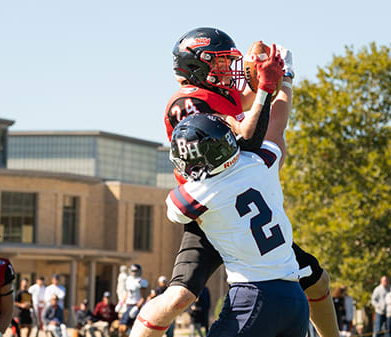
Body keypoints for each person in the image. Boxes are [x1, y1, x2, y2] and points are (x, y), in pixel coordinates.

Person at [131, 26, 337, 337]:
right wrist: (273, 85)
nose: (230, 71)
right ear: (197, 66)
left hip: (237, 208)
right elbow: (256, 136)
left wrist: (274, 76)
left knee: (316, 279)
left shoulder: (218, 94)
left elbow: (266, 115)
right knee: (179, 296)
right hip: (211, 210)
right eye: (222, 63)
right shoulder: (188, 104)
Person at [164, 108, 311, 337]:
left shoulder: (200, 192)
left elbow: (175, 211)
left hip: (254, 294)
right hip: (295, 295)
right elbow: (272, 135)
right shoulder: (261, 159)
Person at [119, 264, 148, 337]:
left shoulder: (141, 281)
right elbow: (127, 294)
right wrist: (121, 303)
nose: (134, 272)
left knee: (130, 327)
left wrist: (137, 307)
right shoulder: (129, 280)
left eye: (136, 271)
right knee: (121, 328)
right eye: (133, 271)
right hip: (128, 306)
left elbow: (143, 297)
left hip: (135, 306)